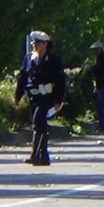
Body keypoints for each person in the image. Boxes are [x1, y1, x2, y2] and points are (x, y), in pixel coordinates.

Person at [13, 31, 66, 166]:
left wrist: (58, 100)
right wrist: (17, 96)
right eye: (33, 43)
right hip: (34, 97)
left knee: (38, 122)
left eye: (37, 43)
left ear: (45, 44)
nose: (34, 45)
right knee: (39, 124)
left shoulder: (53, 59)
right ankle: (42, 156)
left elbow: (60, 80)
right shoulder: (29, 58)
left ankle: (36, 154)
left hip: (47, 96)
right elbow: (23, 77)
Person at [89, 41, 104, 130]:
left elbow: (99, 68)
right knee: (101, 105)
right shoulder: (101, 57)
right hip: (101, 85)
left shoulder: (103, 58)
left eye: (95, 50)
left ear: (99, 49)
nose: (94, 52)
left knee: (103, 105)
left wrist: (91, 69)